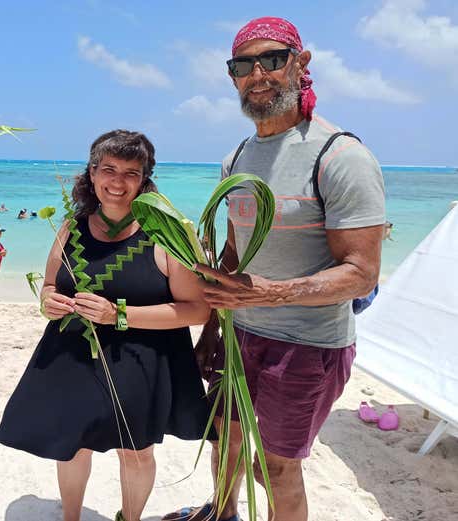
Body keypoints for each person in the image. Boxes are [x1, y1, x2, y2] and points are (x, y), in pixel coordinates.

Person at [164, 17, 385, 521]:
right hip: (240, 334)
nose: (257, 73)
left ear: (301, 65)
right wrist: (215, 328)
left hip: (308, 345)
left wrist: (272, 294)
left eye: (272, 59)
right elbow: (235, 257)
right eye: (243, 65)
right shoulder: (236, 157)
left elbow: (362, 273)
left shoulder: (340, 155)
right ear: (233, 77)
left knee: (276, 468)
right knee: (225, 440)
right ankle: (221, 514)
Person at [0, 130, 214, 521]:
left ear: (145, 181)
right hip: (73, 355)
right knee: (73, 444)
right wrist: (49, 302)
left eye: (131, 173)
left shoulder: (166, 234)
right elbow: (48, 286)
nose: (117, 182)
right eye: (108, 169)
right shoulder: (70, 227)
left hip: (143, 359)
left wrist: (120, 315)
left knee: (135, 450)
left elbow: (197, 310)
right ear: (92, 174)